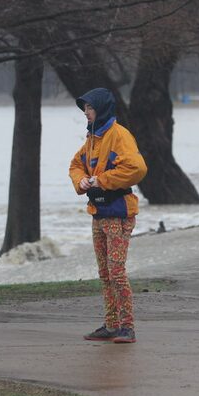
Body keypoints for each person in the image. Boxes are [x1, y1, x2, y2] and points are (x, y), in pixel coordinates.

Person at [69, 88, 147, 344]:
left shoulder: (119, 136)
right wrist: (81, 182)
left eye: (89, 108)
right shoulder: (92, 138)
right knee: (104, 272)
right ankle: (111, 324)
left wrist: (101, 180)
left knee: (116, 272)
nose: (86, 112)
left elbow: (137, 168)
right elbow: (76, 164)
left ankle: (127, 327)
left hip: (119, 213)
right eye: (85, 108)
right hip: (99, 213)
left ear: (101, 108)